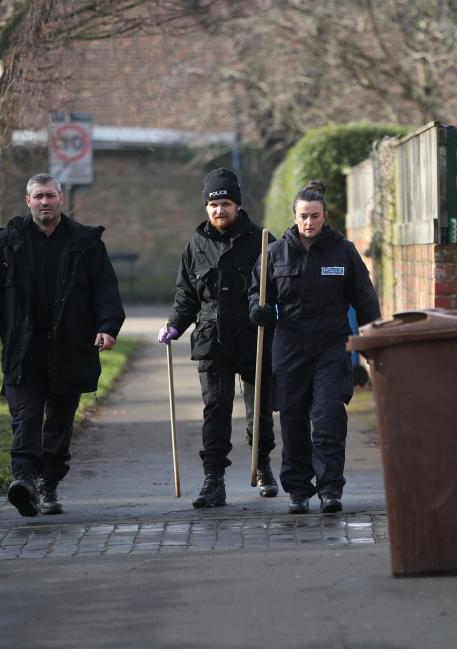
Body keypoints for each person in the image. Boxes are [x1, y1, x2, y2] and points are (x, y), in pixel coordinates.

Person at [0, 173, 125, 518]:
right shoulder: (7, 242)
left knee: (59, 422)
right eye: (38, 196)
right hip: (24, 348)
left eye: (50, 196)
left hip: (70, 348)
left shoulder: (86, 243)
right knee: (25, 417)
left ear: (61, 199)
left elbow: (105, 289)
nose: (44, 202)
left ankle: (48, 485)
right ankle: (23, 480)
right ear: (28, 201)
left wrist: (108, 327)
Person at [249, 180, 380, 514]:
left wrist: (372, 341)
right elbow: (257, 293)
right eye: (304, 216)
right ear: (294, 216)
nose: (309, 222)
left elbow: (365, 299)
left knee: (328, 418)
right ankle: (297, 490)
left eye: (316, 216)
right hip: (289, 348)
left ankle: (330, 489)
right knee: (293, 422)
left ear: (325, 216)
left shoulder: (343, 251)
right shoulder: (274, 253)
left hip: (331, 348)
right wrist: (258, 310)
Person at [158, 167, 277, 508]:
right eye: (213, 205)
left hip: (254, 338)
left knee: (260, 412)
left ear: (237, 205)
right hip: (212, 339)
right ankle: (214, 480)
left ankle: (263, 466)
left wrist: (272, 314)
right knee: (215, 409)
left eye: (225, 203)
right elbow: (186, 294)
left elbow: (280, 288)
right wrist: (175, 325)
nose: (219, 210)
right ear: (206, 208)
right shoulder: (195, 245)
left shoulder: (263, 241)